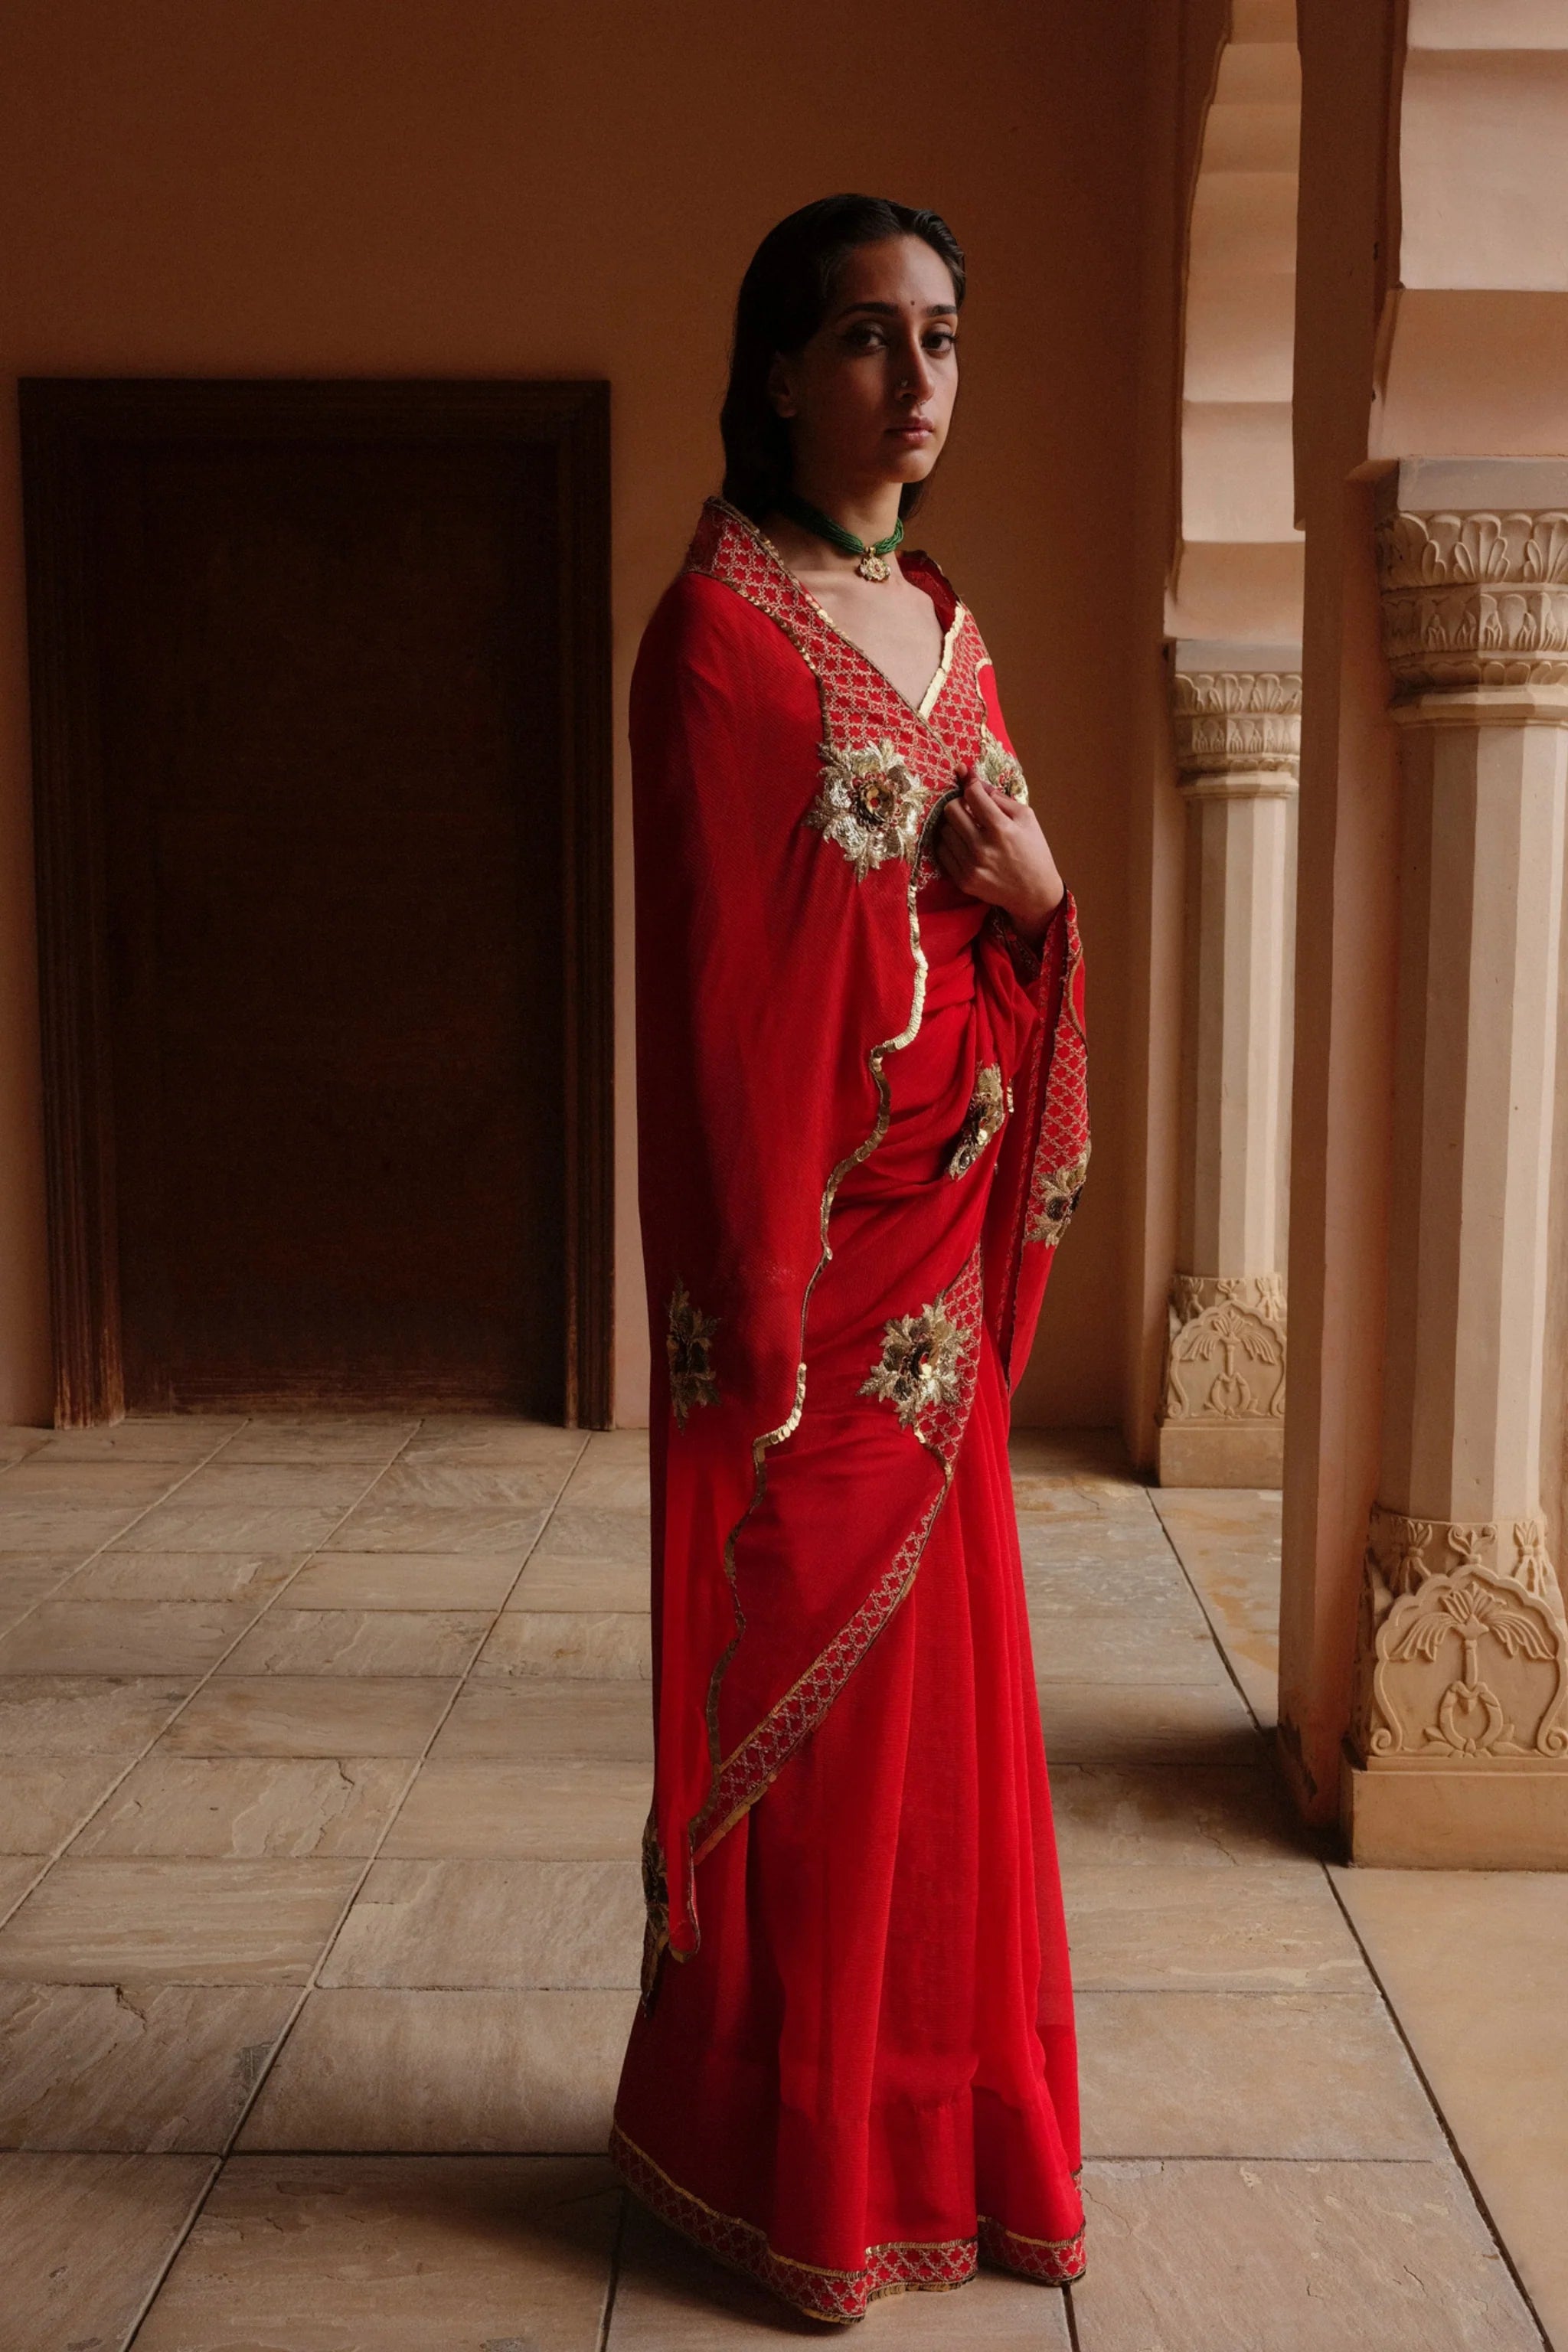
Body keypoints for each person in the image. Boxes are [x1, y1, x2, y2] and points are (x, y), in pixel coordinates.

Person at [610, 192, 1090, 2325]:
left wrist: (1045, 901)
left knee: (947, 1736)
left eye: (945, 337)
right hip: (809, 1291)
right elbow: (726, 996)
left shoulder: (952, 628)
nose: (919, 382)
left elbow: (1007, 910)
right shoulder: (718, 638)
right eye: (874, 338)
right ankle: (778, 2161)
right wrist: (767, 1303)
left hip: (945, 1267)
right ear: (781, 371)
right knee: (805, 1735)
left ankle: (943, 2150)